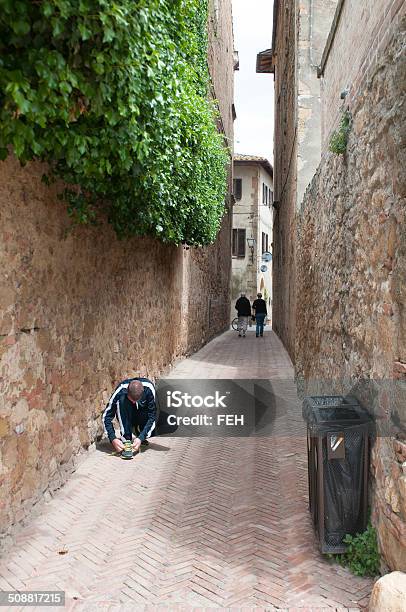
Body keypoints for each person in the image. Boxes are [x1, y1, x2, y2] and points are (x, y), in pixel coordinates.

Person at [103, 377, 157, 459]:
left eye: (136, 400)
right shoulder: (120, 391)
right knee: (121, 401)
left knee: (150, 414)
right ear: (127, 391)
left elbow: (152, 416)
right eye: (132, 400)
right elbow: (106, 416)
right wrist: (112, 438)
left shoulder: (149, 389)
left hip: (142, 413)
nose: (133, 402)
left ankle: (139, 432)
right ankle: (126, 440)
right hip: (127, 414)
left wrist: (141, 437)